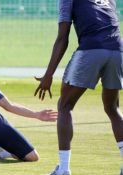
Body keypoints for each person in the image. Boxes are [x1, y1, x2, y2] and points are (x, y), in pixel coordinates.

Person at [34, 0, 123, 175]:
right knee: (113, 108)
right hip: (117, 51)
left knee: (65, 106)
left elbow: (62, 38)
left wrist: (48, 75)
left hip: (91, 49)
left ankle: (64, 169)